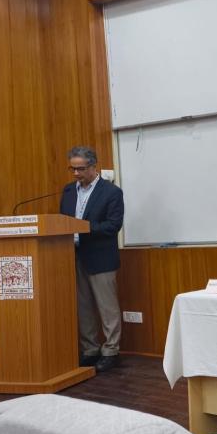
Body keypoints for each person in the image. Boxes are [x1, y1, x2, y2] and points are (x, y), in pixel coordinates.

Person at [59, 146, 124, 373]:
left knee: (107, 308)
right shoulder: (68, 191)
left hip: (101, 257)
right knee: (83, 307)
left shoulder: (111, 192)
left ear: (93, 166)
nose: (76, 173)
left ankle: (111, 351)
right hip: (74, 256)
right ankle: (90, 350)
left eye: (81, 168)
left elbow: (113, 225)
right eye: (72, 168)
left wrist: (84, 228)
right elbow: (62, 222)